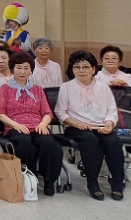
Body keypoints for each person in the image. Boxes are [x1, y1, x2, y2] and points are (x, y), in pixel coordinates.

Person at [55, 50, 124, 201]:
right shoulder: (67, 87)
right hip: (76, 127)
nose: (81, 70)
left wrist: (109, 123)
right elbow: (60, 112)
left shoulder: (103, 88)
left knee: (113, 141)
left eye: (85, 67)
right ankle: (92, 182)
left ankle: (117, 183)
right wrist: (76, 123)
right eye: (76, 67)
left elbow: (112, 111)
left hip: (100, 126)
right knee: (90, 140)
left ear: (93, 69)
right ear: (72, 69)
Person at [0, 51, 62, 196]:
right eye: (18, 68)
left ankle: (49, 181)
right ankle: (30, 177)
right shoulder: (5, 89)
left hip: (37, 125)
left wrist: (43, 124)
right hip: (15, 126)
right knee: (23, 143)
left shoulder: (38, 90)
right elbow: (0, 113)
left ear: (31, 71)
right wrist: (15, 125)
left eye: (26, 68)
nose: (22, 72)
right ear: (12, 69)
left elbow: (47, 112)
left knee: (50, 144)